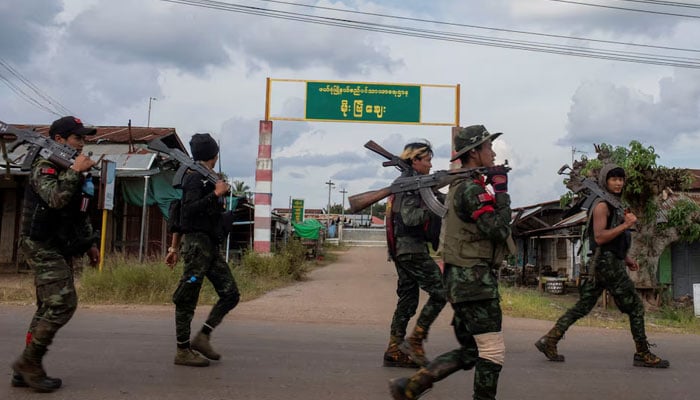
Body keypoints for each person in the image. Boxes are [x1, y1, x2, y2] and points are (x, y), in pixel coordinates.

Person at [389, 125, 512, 400]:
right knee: (492, 350)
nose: (492, 153)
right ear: (475, 153)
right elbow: (500, 230)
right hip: (475, 282)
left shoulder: (464, 187)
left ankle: (411, 387)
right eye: (488, 148)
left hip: (462, 281)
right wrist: (502, 191)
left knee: (471, 350)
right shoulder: (470, 190)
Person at [535, 164, 670, 368]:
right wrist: (626, 225)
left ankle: (550, 340)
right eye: (613, 179)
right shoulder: (602, 206)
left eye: (621, 179)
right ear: (605, 181)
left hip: (604, 262)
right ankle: (643, 353)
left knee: (582, 307)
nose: (618, 183)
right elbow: (599, 237)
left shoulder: (614, 204)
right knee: (635, 307)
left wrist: (626, 258)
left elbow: (612, 241)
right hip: (607, 265)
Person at [12, 116, 99, 392]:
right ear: (59, 140)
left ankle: (25, 369)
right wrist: (75, 171)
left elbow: (77, 211)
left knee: (46, 307)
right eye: (77, 138)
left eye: (84, 139)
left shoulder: (70, 168)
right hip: (39, 243)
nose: (82, 144)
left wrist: (89, 243)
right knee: (63, 303)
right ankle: (28, 363)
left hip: (57, 243)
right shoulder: (45, 166)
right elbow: (56, 199)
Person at [165, 133, 240, 367]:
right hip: (197, 246)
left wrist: (173, 247)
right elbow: (186, 212)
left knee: (230, 294)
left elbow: (181, 213)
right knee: (187, 297)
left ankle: (203, 336)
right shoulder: (194, 178)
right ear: (215, 155)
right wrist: (216, 195)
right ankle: (182, 350)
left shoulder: (208, 179)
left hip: (209, 246)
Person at [383, 141, 447, 369]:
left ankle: (394, 349)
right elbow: (410, 218)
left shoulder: (413, 184)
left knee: (408, 300)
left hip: (403, 250)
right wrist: (436, 204)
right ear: (415, 161)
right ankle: (415, 341)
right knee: (442, 291)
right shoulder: (409, 186)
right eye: (427, 160)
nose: (430, 165)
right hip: (411, 250)